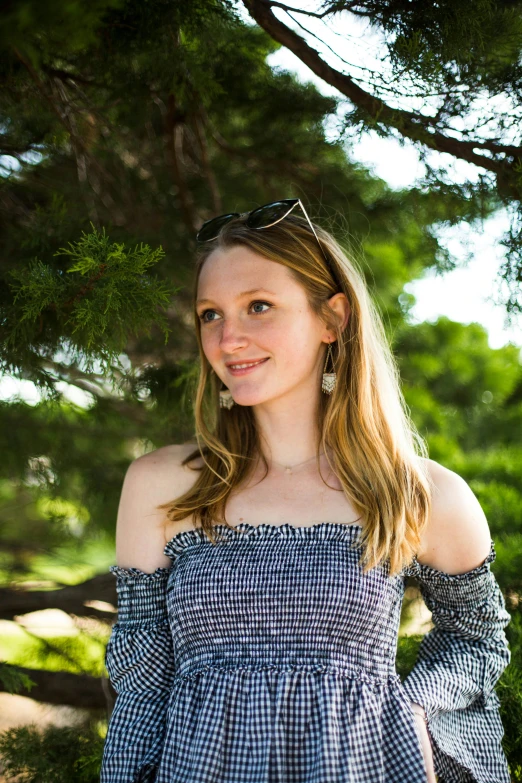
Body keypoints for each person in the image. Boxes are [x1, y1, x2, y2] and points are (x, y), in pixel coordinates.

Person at [100, 199, 512, 783]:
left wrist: (416, 711)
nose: (229, 337)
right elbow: (141, 684)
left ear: (333, 319)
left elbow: (475, 639)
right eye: (210, 314)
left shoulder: (420, 495)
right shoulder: (161, 487)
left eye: (259, 306)